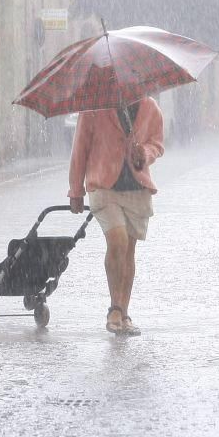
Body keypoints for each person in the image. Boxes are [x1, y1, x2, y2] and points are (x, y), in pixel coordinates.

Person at [68, 96, 164, 336]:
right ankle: (114, 309)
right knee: (118, 241)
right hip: (104, 185)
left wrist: (145, 152)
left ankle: (123, 312)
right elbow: (80, 147)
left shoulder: (149, 106)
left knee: (129, 251)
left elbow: (157, 143)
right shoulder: (93, 107)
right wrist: (76, 190)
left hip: (136, 188)